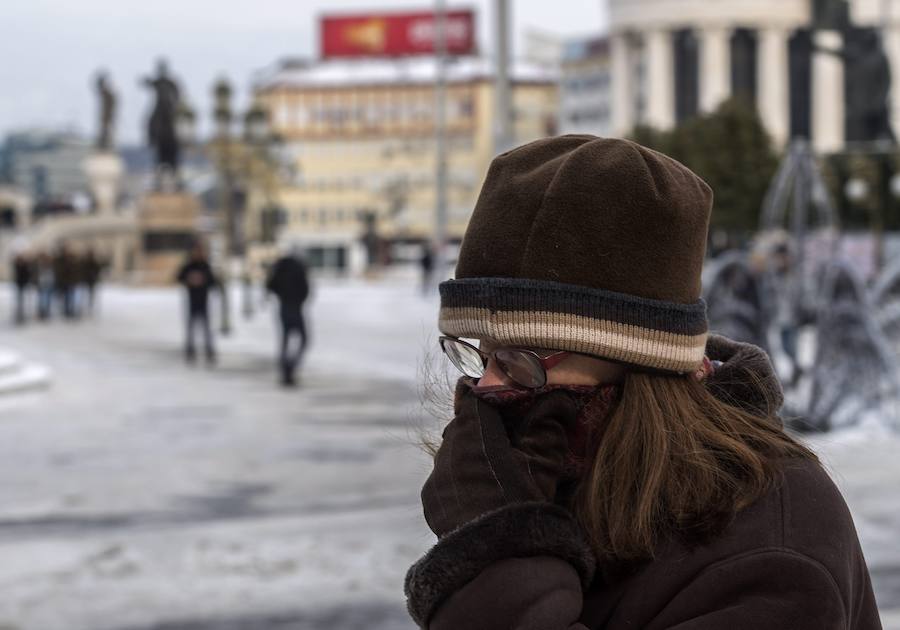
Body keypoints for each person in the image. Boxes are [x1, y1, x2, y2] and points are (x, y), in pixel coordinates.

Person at [404, 137, 880, 630]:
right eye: (479, 355)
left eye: (516, 360)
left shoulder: (771, 538)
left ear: (634, 360)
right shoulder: (573, 469)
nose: (487, 386)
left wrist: (496, 549)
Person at [266, 246, 310, 386]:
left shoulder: (280, 268)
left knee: (285, 341)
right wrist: (298, 300)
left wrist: (282, 295)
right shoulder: (298, 268)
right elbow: (305, 289)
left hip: (284, 307)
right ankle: (290, 368)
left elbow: (270, 286)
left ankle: (286, 370)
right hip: (295, 308)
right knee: (303, 339)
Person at [176, 242, 218, 364]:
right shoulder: (189, 266)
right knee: (190, 329)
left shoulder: (205, 266)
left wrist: (203, 281)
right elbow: (179, 277)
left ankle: (209, 351)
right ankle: (190, 351)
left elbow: (212, 282)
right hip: (192, 301)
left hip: (203, 301)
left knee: (207, 329)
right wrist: (189, 280)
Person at [11, 253, 32, 324]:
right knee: (19, 301)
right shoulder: (17, 264)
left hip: (24, 284)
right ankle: (20, 315)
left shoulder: (26, 264)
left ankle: (22, 314)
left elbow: (28, 273)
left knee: (23, 300)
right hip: (19, 284)